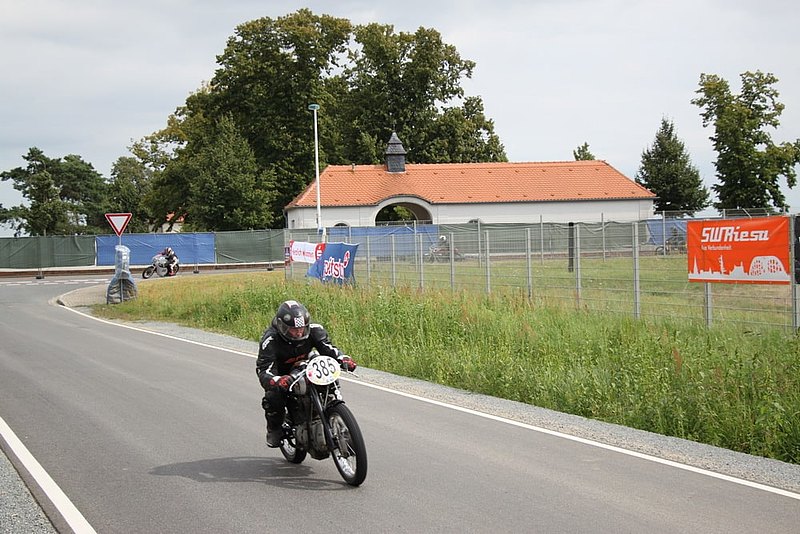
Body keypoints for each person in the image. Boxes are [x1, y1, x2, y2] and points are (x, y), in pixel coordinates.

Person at [256, 300, 357, 447]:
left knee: (327, 378)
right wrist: (277, 380)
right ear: (282, 327)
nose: (299, 332)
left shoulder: (315, 330)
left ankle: (332, 411)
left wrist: (343, 358)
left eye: (302, 328)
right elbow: (264, 369)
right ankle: (274, 429)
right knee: (273, 397)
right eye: (293, 329)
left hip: (307, 367)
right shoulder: (270, 340)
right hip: (283, 374)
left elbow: (328, 348)